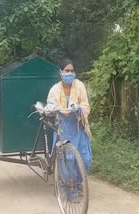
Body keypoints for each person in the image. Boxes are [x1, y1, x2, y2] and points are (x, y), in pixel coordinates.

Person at [47, 58, 92, 200]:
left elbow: (86, 106)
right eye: (67, 71)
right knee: (68, 159)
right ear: (61, 72)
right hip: (63, 128)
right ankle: (69, 188)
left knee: (85, 159)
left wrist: (79, 108)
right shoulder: (55, 89)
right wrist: (50, 109)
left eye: (72, 71)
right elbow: (50, 106)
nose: (70, 73)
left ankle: (78, 183)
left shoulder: (79, 86)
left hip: (78, 126)